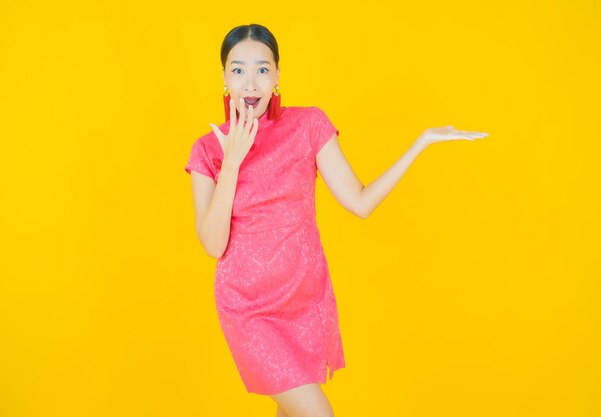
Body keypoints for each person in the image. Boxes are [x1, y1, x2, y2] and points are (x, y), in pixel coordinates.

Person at [184, 23, 489, 417]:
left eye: (262, 69)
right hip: (249, 308)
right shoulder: (209, 148)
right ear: (224, 78)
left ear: (277, 75)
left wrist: (420, 143)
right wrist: (233, 162)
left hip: (303, 299)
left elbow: (359, 202)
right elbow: (212, 244)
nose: (250, 82)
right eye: (238, 70)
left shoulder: (308, 125)